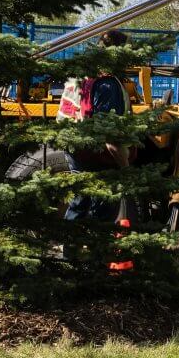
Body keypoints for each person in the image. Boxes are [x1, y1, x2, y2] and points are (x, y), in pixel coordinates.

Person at [61, 29, 133, 222]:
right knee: (103, 210)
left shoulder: (79, 76)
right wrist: (127, 171)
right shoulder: (108, 84)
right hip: (98, 158)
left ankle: (70, 249)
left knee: (79, 202)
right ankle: (97, 249)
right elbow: (111, 139)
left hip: (74, 149)